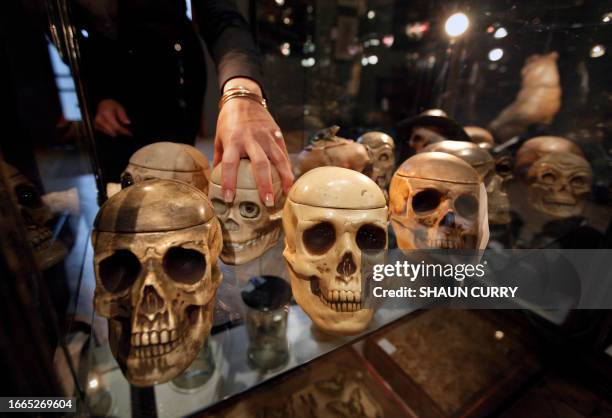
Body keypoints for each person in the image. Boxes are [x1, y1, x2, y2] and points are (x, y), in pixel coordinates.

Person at [76, 0, 293, 204]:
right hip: (99, 75)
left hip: (171, 77)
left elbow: (221, 15)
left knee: (177, 173)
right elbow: (63, 30)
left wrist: (241, 90)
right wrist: (97, 94)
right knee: (122, 192)